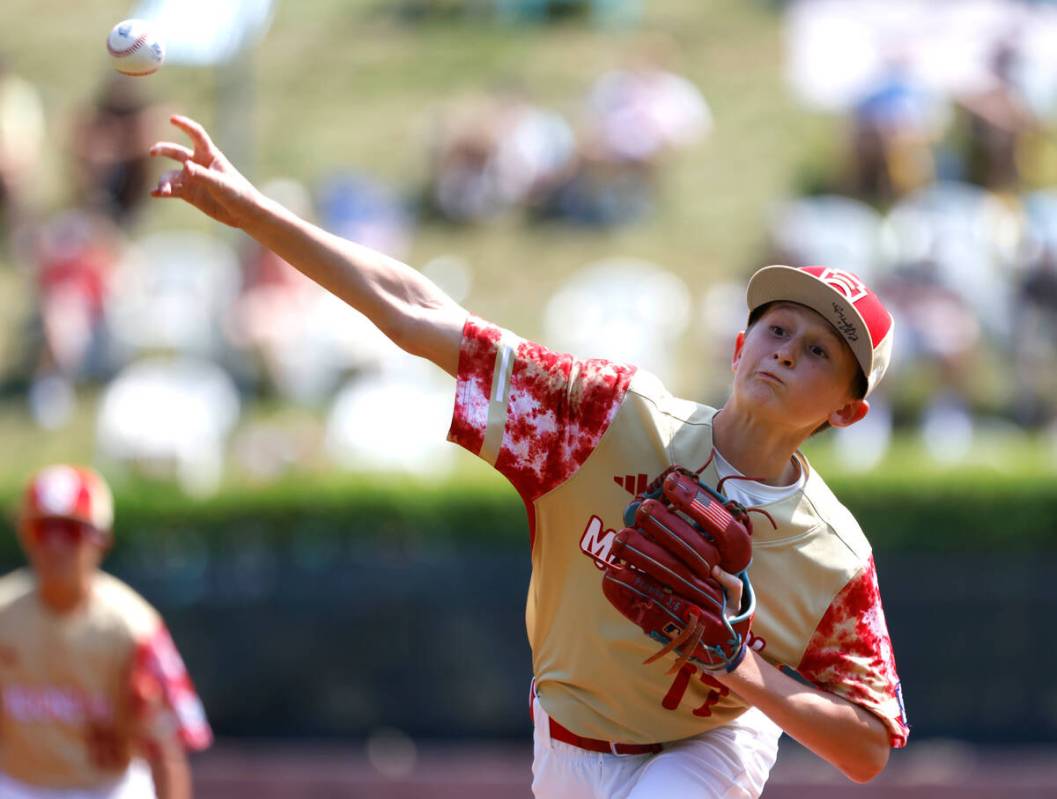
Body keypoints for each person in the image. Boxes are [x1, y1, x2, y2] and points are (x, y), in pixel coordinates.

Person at [150, 115, 908, 797]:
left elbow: (868, 746)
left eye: (817, 351)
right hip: (569, 736)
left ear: (847, 409)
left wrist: (742, 669)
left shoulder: (832, 555)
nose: (785, 352)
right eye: (776, 330)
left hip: (712, 740)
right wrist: (253, 213)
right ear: (740, 344)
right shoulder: (610, 416)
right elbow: (421, 314)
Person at [0, 464, 212, 799]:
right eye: (43, 529)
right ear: (25, 535)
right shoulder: (4, 616)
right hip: (17, 787)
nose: (55, 545)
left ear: (102, 539)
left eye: (71, 530)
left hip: (107, 789)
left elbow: (167, 748)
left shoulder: (134, 627)